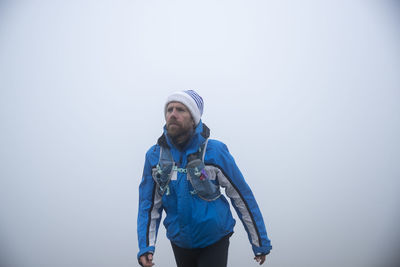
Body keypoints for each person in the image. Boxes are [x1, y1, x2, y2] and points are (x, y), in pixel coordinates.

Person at [137, 90, 272, 267]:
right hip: (180, 242)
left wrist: (259, 241)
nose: (173, 114)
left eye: (180, 109)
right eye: (169, 110)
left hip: (214, 240)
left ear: (194, 118)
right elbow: (148, 205)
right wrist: (146, 246)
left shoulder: (215, 151)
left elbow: (241, 197)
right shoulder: (154, 157)